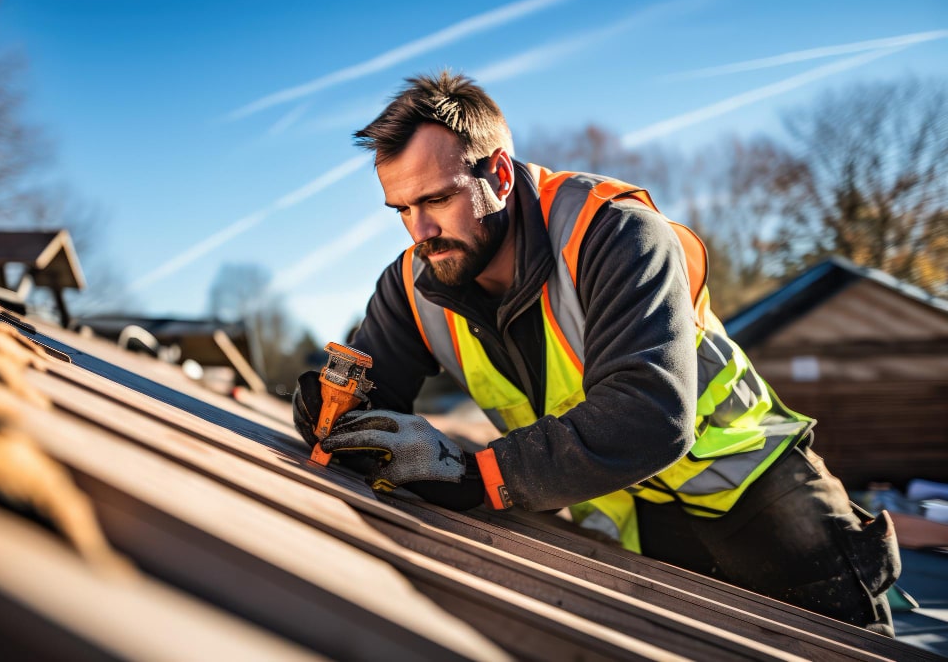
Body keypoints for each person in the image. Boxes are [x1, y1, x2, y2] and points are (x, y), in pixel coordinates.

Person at [292, 71, 900, 635]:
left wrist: (474, 476)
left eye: (437, 200)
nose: (419, 231)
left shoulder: (614, 234)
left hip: (761, 500)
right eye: (401, 210)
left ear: (499, 176)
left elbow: (650, 415)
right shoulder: (413, 282)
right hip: (628, 524)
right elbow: (364, 402)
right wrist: (328, 411)